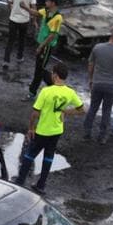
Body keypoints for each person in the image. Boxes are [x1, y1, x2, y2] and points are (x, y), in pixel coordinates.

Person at [15, 62, 84, 193]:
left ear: (55, 75)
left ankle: (20, 181)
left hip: (43, 130)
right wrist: (65, 112)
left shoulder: (46, 91)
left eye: (52, 73)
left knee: (30, 154)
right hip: (57, 130)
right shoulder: (70, 92)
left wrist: (31, 128)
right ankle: (41, 185)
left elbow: (35, 112)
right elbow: (81, 110)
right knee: (48, 156)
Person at [82, 26, 113, 144]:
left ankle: (87, 134)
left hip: (97, 83)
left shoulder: (98, 47)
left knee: (93, 108)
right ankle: (102, 137)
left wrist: (91, 79)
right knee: (106, 111)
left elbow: (90, 65)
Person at [26, 0, 62, 99]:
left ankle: (50, 87)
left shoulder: (57, 17)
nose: (45, 2)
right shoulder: (47, 11)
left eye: (47, 1)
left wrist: (41, 46)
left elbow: (52, 35)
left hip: (46, 46)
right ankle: (33, 91)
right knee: (39, 68)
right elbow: (37, 13)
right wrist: (26, 8)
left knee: (40, 69)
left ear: (53, 3)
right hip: (41, 43)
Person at [4, 0, 36, 67]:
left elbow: (9, 2)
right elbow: (34, 7)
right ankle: (20, 57)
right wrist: (34, 20)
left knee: (11, 40)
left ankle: (6, 60)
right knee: (22, 40)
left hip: (13, 20)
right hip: (24, 21)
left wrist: (12, 10)